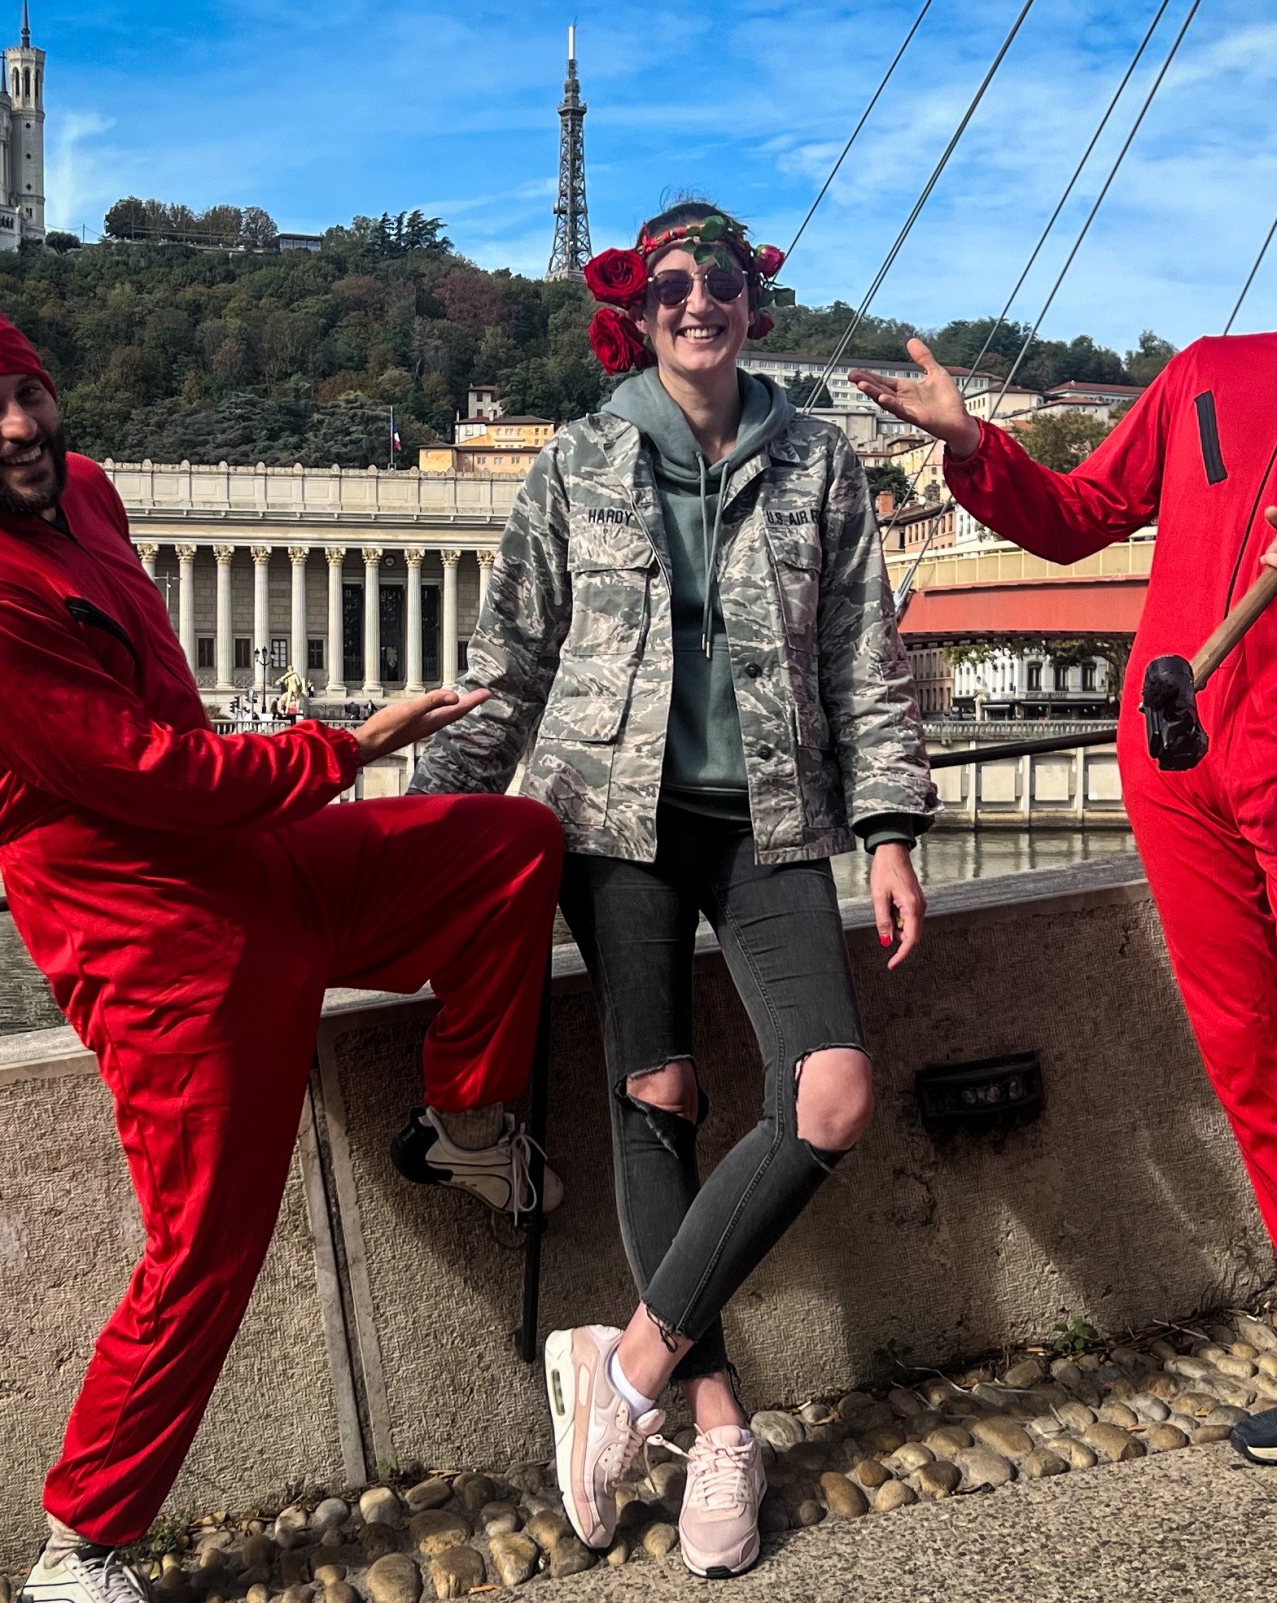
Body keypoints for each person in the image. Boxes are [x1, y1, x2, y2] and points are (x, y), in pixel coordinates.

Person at [0, 294, 568, 1603]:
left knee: (512, 845)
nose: (20, 426)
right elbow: (155, 778)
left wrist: (318, 772)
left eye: (26, 388)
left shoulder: (84, 492)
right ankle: (80, 1542)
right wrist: (347, 746)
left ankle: (464, 1120)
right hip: (155, 940)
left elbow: (184, 751)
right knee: (203, 1243)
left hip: (261, 865)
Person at [856, 131, 1277, 1464]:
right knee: (1247, 1046)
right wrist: (978, 449)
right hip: (1174, 746)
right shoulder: (1206, 373)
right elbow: (1081, 513)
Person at [412, 202, 935, 1579]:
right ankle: (716, 1430)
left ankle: (622, 1371)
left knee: (829, 1089)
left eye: (719, 282)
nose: (695, 302)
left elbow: (859, 660)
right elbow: (510, 665)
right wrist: (418, 821)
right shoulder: (575, 462)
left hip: (769, 821)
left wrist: (885, 828)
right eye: (668, 286)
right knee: (660, 1103)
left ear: (754, 302)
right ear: (634, 313)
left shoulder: (819, 460)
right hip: (611, 823)